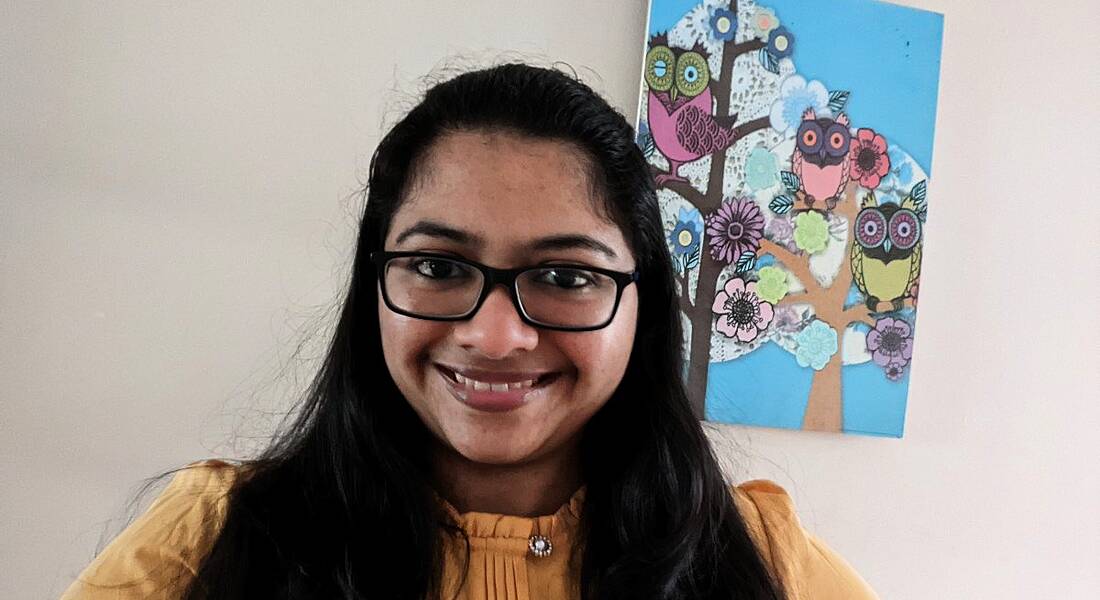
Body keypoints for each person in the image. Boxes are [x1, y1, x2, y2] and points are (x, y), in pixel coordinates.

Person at [61, 63, 878, 600]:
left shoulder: (759, 560)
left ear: (644, 306)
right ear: (375, 282)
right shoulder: (210, 540)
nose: (494, 336)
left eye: (565, 278)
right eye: (440, 267)